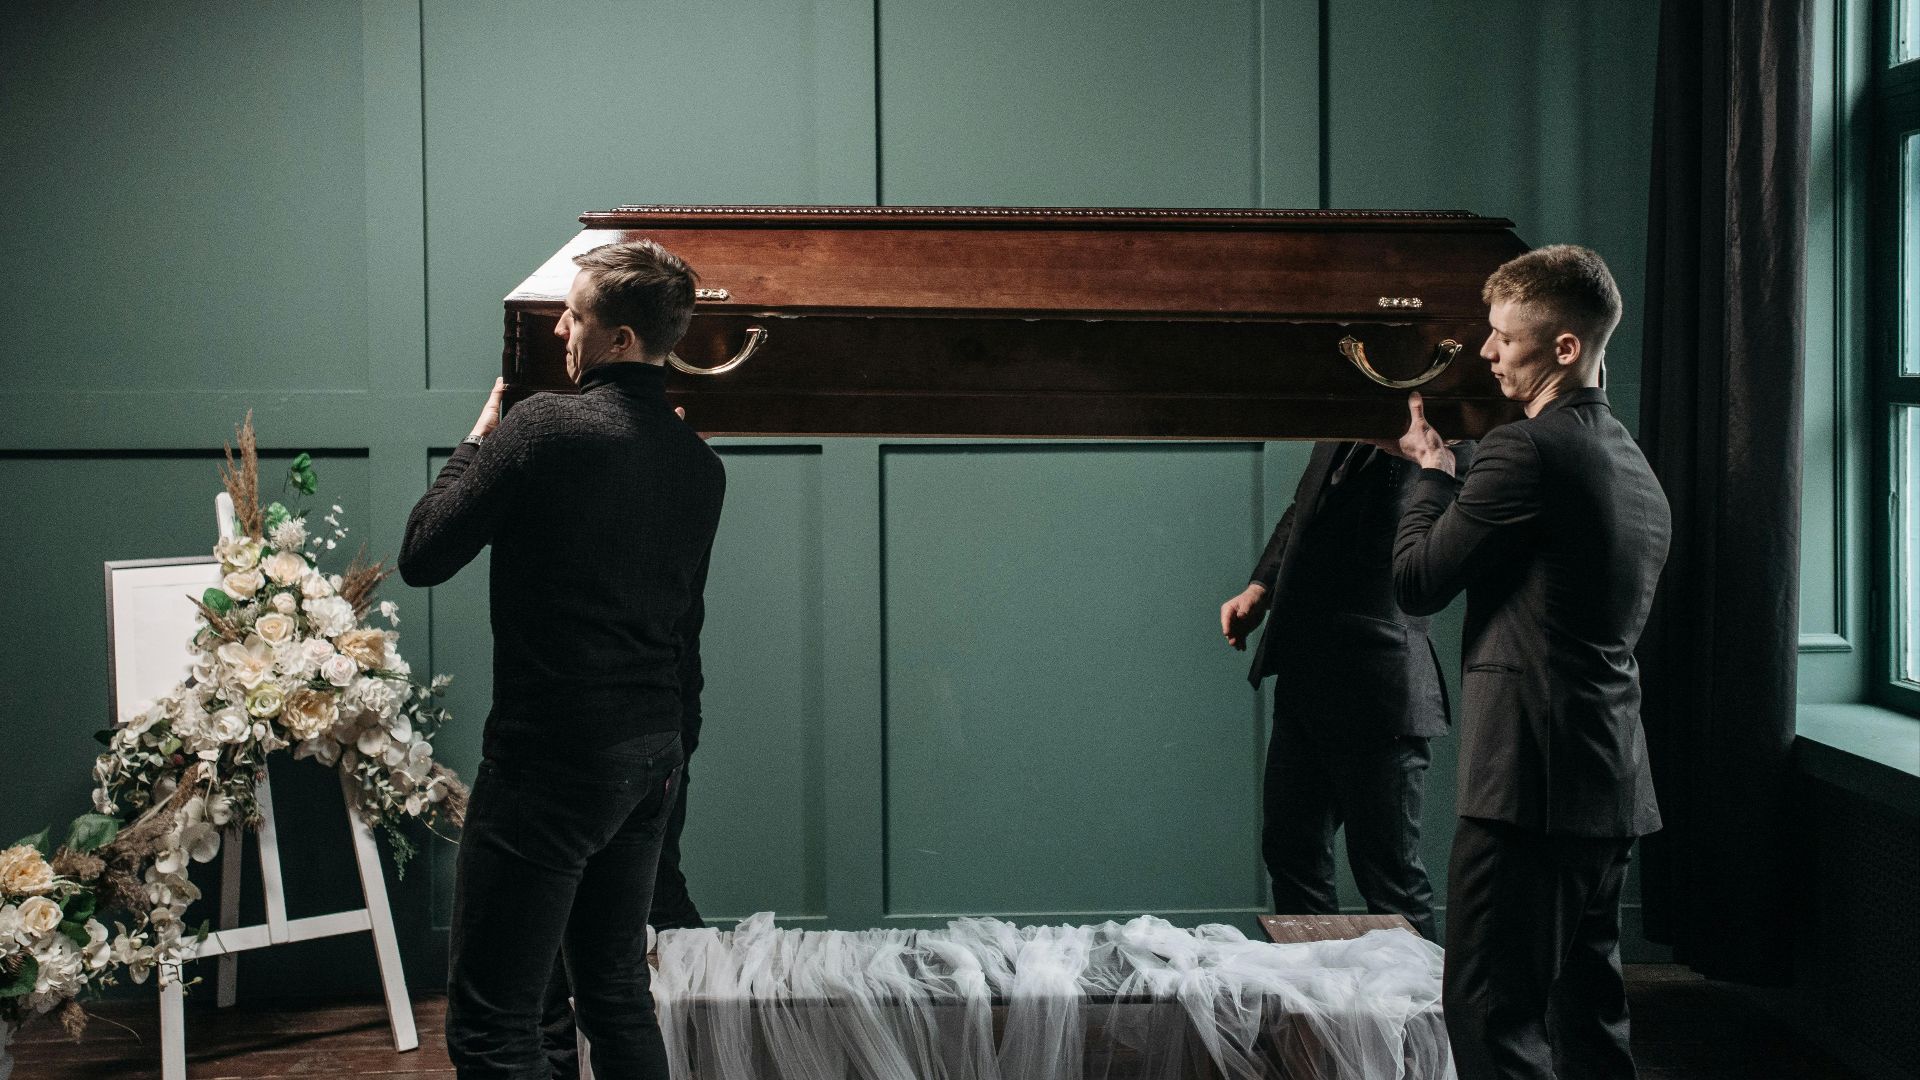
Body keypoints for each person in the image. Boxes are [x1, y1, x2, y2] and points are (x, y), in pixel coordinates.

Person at [400, 239, 725, 1080]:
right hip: (650, 760)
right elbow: (683, 637)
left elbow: (424, 553)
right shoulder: (700, 465)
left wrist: (478, 441)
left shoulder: (543, 428)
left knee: (492, 1025)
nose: (558, 326)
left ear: (618, 338)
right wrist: (672, 767)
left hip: (552, 763)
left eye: (573, 313)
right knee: (616, 997)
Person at [1381, 245, 1670, 1080]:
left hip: (1528, 790)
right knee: (1589, 1020)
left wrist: (1433, 475)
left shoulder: (1525, 452)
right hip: (1610, 783)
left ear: (1567, 349)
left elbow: (1416, 583)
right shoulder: (1637, 468)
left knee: (1491, 1016)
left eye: (1504, 336)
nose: (1487, 351)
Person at [1220, 439, 1454, 942]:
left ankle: (1420, 1020)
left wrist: (1418, 450)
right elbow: (1302, 511)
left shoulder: (1445, 438)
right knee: (1292, 853)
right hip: (1306, 674)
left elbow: (1429, 536)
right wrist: (1260, 588)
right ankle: (1317, 1011)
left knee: (1389, 876)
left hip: (1383, 690)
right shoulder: (1341, 427)